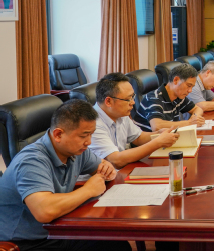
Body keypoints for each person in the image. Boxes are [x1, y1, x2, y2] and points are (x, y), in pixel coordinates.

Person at [0, 99, 131, 251]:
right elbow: (45, 212)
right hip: (27, 242)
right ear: (58, 134)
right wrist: (88, 190)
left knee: (116, 244)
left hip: (58, 230)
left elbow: (101, 167)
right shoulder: (31, 161)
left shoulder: (76, 150)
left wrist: (107, 168)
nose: (89, 142)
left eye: (91, 134)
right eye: (84, 136)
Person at [89, 72, 180, 168]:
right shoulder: (93, 124)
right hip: (104, 175)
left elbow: (137, 138)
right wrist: (158, 142)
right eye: (128, 99)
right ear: (108, 101)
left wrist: (158, 134)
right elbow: (116, 160)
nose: (132, 102)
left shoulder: (120, 113)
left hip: (122, 170)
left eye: (133, 97)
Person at [132, 63, 206, 132]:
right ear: (176, 80)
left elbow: (197, 109)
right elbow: (157, 126)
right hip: (150, 140)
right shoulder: (154, 98)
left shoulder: (179, 97)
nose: (190, 90)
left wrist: (195, 118)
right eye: (188, 86)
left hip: (168, 137)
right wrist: (189, 123)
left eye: (192, 87)